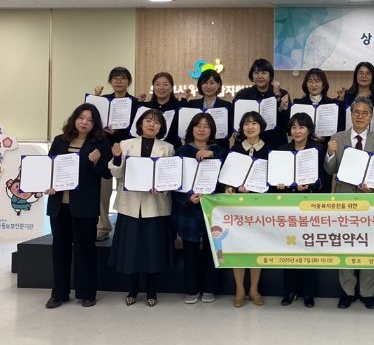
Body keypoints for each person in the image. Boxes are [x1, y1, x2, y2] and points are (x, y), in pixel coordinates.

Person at [44, 103, 112, 309]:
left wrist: (96, 162)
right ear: (74, 119)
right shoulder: (60, 140)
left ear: (95, 124)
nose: (84, 122)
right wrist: (48, 185)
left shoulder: (101, 143)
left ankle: (87, 293)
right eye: (81, 118)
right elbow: (49, 168)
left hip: (84, 205)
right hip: (59, 204)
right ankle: (59, 293)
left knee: (85, 249)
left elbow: (107, 173)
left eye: (90, 120)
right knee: (60, 249)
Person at [325, 96, 374, 309]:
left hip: (369, 201)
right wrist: (330, 153)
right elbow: (330, 170)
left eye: (365, 113)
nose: (360, 116)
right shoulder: (338, 137)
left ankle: (367, 293)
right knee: (345, 244)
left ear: (371, 117)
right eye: (356, 112)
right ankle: (348, 291)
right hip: (343, 199)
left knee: (368, 246)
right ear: (351, 114)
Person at [108, 109, 175, 307]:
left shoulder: (168, 148)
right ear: (140, 124)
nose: (152, 125)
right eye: (148, 121)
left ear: (161, 127)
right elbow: (116, 173)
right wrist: (117, 157)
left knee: (153, 250)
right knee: (130, 250)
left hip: (155, 205)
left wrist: (161, 186)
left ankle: (152, 290)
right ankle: (133, 289)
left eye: (157, 122)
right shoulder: (125, 144)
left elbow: (170, 177)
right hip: (130, 205)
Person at [275, 113, 328, 308]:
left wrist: (311, 185)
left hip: (310, 205)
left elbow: (324, 178)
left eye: (301, 127)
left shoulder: (318, 150)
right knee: (289, 247)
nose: (297, 131)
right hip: (289, 205)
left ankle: (308, 292)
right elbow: (275, 179)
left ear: (309, 130)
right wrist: (281, 185)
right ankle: (289, 290)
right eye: (294, 127)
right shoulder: (282, 151)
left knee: (308, 247)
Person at [171, 113, 226, 304]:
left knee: (212, 250)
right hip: (189, 208)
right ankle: (191, 289)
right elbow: (174, 181)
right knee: (190, 251)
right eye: (198, 126)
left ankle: (210, 288)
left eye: (206, 126)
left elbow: (227, 172)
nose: (202, 129)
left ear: (212, 131)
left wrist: (212, 154)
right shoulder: (181, 152)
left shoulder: (218, 150)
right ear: (191, 129)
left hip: (212, 208)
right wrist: (187, 198)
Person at [224, 111, 268, 307]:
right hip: (237, 209)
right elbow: (225, 179)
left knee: (256, 247)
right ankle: (240, 289)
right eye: (246, 124)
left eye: (254, 123)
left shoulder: (270, 151)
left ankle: (254, 289)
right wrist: (229, 188)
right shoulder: (234, 151)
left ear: (261, 127)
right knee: (238, 248)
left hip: (258, 208)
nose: (250, 127)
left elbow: (272, 181)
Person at [95, 66, 138, 242]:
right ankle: (103, 226)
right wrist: (96, 97)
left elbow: (138, 128)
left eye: (123, 78)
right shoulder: (103, 101)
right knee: (103, 190)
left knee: (125, 190)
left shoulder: (136, 102)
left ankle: (124, 227)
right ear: (110, 81)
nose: (119, 81)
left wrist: (121, 131)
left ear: (129, 82)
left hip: (127, 149)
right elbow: (93, 123)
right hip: (105, 148)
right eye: (115, 78)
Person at [233, 58, 289, 149]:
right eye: (256, 73)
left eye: (264, 73)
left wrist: (277, 96)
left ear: (270, 76)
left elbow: (287, 122)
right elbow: (234, 118)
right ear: (252, 76)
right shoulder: (242, 95)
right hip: (248, 143)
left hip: (275, 143)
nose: (260, 76)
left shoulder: (282, 93)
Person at [185, 69, 232, 150]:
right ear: (200, 85)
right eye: (205, 83)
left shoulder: (227, 106)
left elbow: (230, 130)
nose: (208, 86)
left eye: (212, 83)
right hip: (194, 149)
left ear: (218, 84)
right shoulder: (192, 105)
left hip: (219, 149)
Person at [338, 62, 374, 131]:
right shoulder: (346, 96)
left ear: (373, 77)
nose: (364, 76)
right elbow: (339, 121)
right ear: (356, 76)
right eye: (361, 73)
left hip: (373, 137)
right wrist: (340, 100)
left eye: (368, 73)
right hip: (348, 136)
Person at [142, 72, 183, 149]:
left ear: (171, 88)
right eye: (157, 84)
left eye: (165, 84)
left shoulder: (180, 107)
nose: (161, 87)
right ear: (153, 87)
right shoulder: (146, 107)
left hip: (173, 149)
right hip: (149, 149)